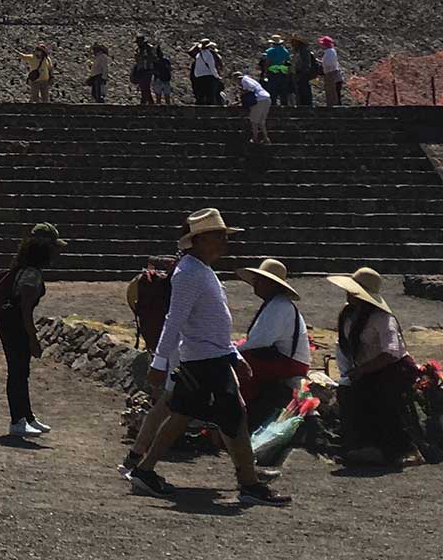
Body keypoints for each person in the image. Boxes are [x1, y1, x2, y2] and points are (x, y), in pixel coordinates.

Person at [122, 208, 290, 505]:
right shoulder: (190, 274)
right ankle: (249, 484)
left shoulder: (201, 271)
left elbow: (212, 322)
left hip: (210, 357)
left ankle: (145, 470)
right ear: (198, 240)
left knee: (183, 413)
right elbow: (175, 320)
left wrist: (233, 354)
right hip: (204, 360)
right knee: (232, 417)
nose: (224, 241)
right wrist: (160, 362)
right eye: (217, 236)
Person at [329, 267, 413, 466]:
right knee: (347, 394)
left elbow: (391, 352)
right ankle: (358, 445)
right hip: (366, 369)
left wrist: (362, 370)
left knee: (378, 396)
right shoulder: (349, 315)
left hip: (390, 369)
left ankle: (385, 448)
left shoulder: (383, 319)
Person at [0, 223, 63, 437]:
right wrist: (33, 339)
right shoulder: (31, 274)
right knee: (18, 371)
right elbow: (25, 310)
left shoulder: (22, 266)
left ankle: (27, 416)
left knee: (21, 371)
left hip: (9, 321)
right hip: (14, 323)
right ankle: (18, 420)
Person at [236, 258, 310, 427]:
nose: (255, 283)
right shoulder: (276, 304)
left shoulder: (279, 306)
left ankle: (240, 416)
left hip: (290, 363)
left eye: (259, 280)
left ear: (271, 284)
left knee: (239, 367)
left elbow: (261, 340)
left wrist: (235, 349)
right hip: (281, 357)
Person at [236, 71, 273, 146]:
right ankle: (266, 138)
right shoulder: (250, 79)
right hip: (266, 98)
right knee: (261, 121)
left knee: (254, 120)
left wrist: (242, 92)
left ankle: (255, 138)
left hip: (259, 100)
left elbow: (251, 90)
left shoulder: (244, 81)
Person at [260, 35, 294, 109]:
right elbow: (288, 62)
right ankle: (285, 106)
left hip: (273, 72)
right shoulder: (285, 51)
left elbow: (268, 62)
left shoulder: (270, 51)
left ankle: (273, 106)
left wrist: (265, 72)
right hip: (283, 73)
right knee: (283, 90)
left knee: (272, 90)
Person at [189, 40, 222, 107]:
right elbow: (212, 67)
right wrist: (217, 76)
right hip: (209, 78)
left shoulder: (198, 55)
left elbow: (190, 52)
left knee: (200, 96)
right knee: (210, 96)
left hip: (199, 78)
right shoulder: (209, 54)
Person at [289, 37, 318, 110]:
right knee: (300, 91)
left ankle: (306, 105)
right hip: (299, 74)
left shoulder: (303, 51)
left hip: (303, 74)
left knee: (304, 90)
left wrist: (301, 72)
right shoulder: (298, 51)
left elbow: (305, 64)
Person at [317, 35, 344, 107]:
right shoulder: (329, 52)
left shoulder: (330, 52)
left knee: (332, 93)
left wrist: (322, 65)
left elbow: (329, 64)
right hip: (330, 73)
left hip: (331, 74)